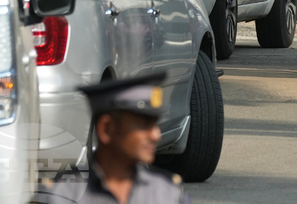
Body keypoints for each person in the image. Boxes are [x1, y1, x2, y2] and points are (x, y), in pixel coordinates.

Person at [33, 73, 190, 204]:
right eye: (143, 125)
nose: (156, 135)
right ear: (106, 129)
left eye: (155, 125)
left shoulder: (169, 194)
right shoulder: (62, 195)